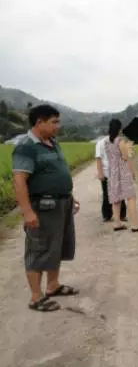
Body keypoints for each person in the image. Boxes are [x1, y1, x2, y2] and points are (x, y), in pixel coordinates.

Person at [12, 104, 81, 312]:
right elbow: (19, 181)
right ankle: (36, 296)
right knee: (39, 248)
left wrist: (69, 195)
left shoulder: (52, 142)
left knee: (57, 245)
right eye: (54, 122)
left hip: (62, 203)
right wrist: (27, 212)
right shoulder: (26, 146)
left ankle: (53, 285)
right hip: (42, 206)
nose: (57, 126)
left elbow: (56, 173)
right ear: (39, 122)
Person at [104, 119, 138, 232]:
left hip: (112, 172)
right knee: (131, 197)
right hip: (123, 171)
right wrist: (132, 171)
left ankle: (117, 224)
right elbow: (125, 158)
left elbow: (110, 157)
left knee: (115, 198)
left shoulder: (106, 141)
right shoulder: (121, 141)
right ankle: (135, 225)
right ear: (119, 128)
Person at [95, 136, 127, 222]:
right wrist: (100, 173)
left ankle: (122, 215)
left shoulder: (119, 142)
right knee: (106, 194)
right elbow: (98, 158)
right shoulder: (100, 143)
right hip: (106, 172)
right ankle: (107, 215)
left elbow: (124, 157)